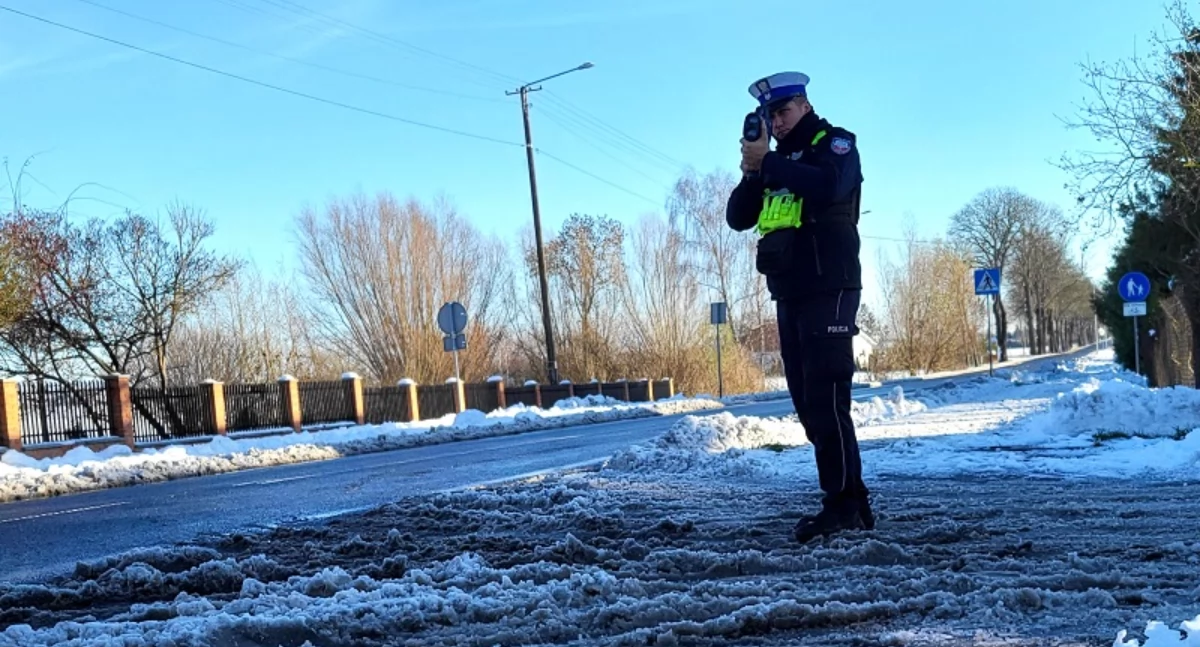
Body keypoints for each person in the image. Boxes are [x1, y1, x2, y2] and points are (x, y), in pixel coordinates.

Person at [725, 71, 873, 542]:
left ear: (804, 106)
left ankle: (843, 505)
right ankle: (852, 499)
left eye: (783, 112)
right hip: (789, 290)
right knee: (808, 402)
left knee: (828, 397)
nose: (777, 121)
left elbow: (828, 186)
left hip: (831, 286)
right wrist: (754, 171)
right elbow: (737, 217)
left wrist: (769, 164)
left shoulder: (836, 144)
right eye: (770, 115)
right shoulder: (775, 160)